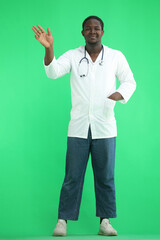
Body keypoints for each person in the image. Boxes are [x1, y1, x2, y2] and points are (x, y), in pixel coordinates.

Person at [32, 16, 136, 237]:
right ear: (82, 33)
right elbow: (52, 72)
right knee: (72, 175)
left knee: (105, 176)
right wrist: (49, 48)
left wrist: (120, 94)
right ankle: (62, 221)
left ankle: (105, 222)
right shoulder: (73, 55)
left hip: (105, 127)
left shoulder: (115, 57)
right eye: (88, 29)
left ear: (102, 32)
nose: (92, 32)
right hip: (78, 127)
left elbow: (130, 81)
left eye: (96, 28)